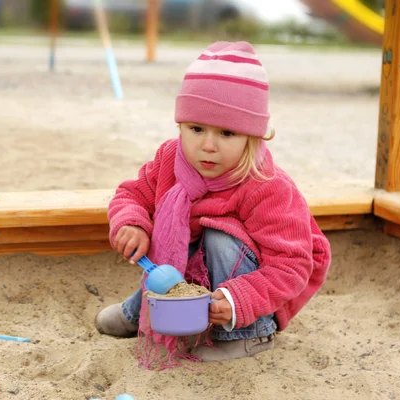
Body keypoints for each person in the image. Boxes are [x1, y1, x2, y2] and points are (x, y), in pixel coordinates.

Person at [93, 41, 332, 366]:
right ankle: (143, 312)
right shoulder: (170, 159)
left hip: (258, 291)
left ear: (254, 136)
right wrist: (132, 222)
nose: (208, 145)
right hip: (197, 270)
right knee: (173, 236)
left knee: (220, 237)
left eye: (227, 133)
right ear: (180, 126)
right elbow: (133, 194)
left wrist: (239, 299)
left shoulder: (267, 186)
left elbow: (291, 265)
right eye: (196, 129)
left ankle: (249, 336)